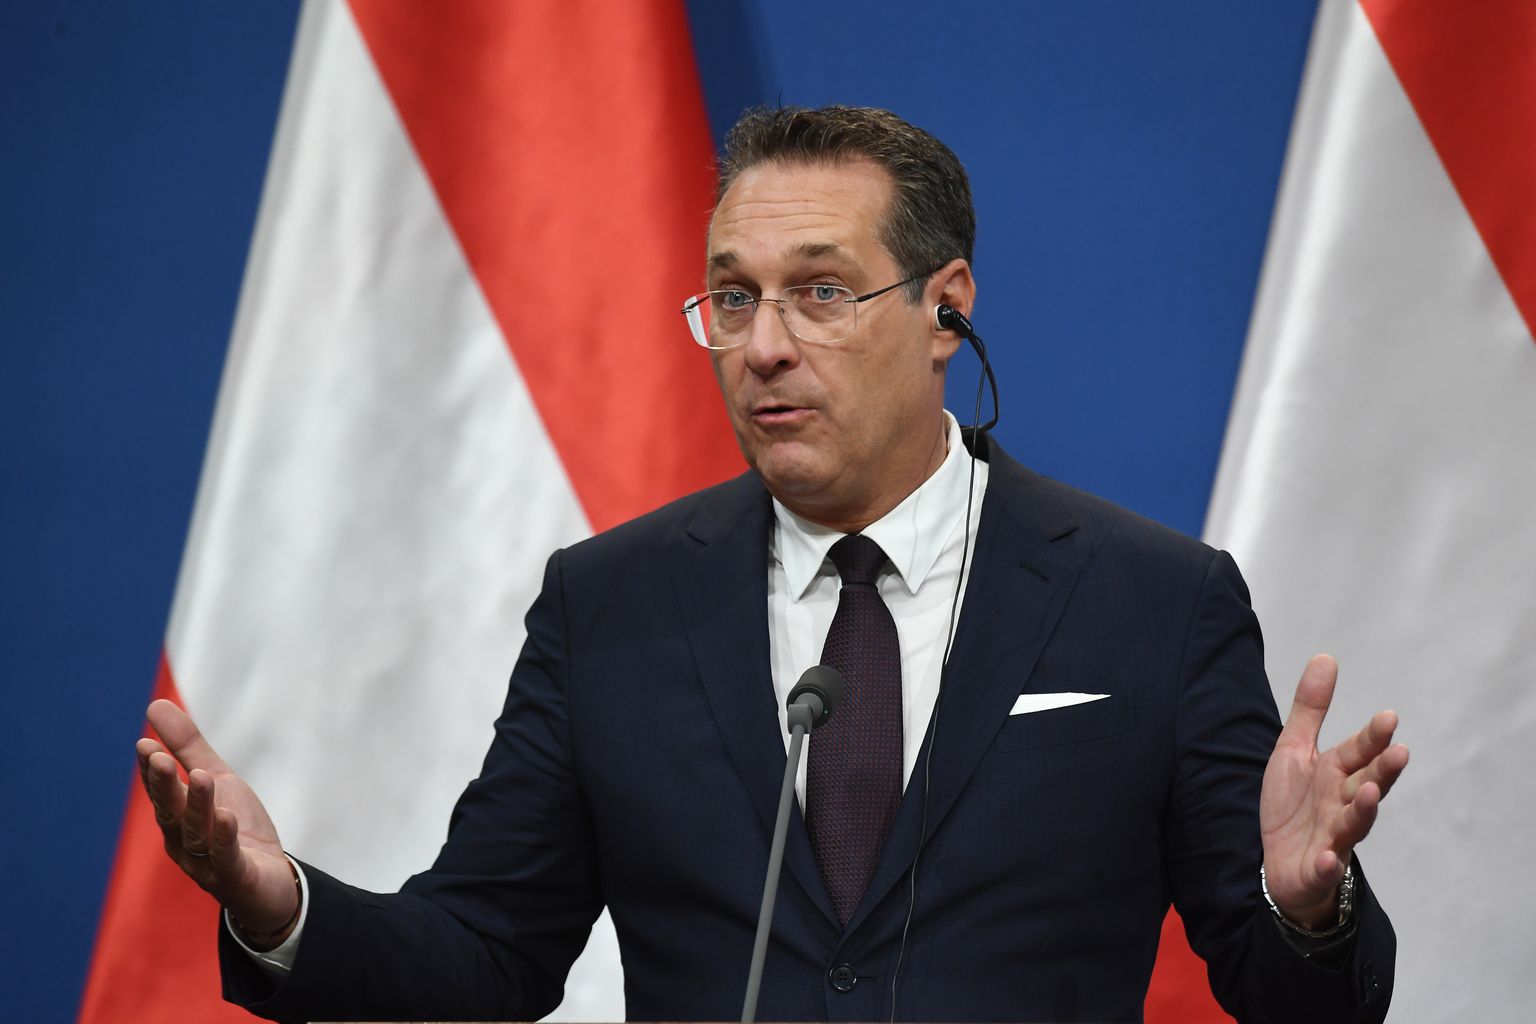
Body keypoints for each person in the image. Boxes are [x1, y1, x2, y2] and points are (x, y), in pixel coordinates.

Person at [137, 105, 1407, 1022]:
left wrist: (1310, 908)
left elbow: (1292, 992)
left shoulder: (1152, 602)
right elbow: (484, 952)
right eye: (734, 297)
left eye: (821, 292)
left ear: (946, 308)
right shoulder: (610, 605)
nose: (763, 346)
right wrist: (278, 901)